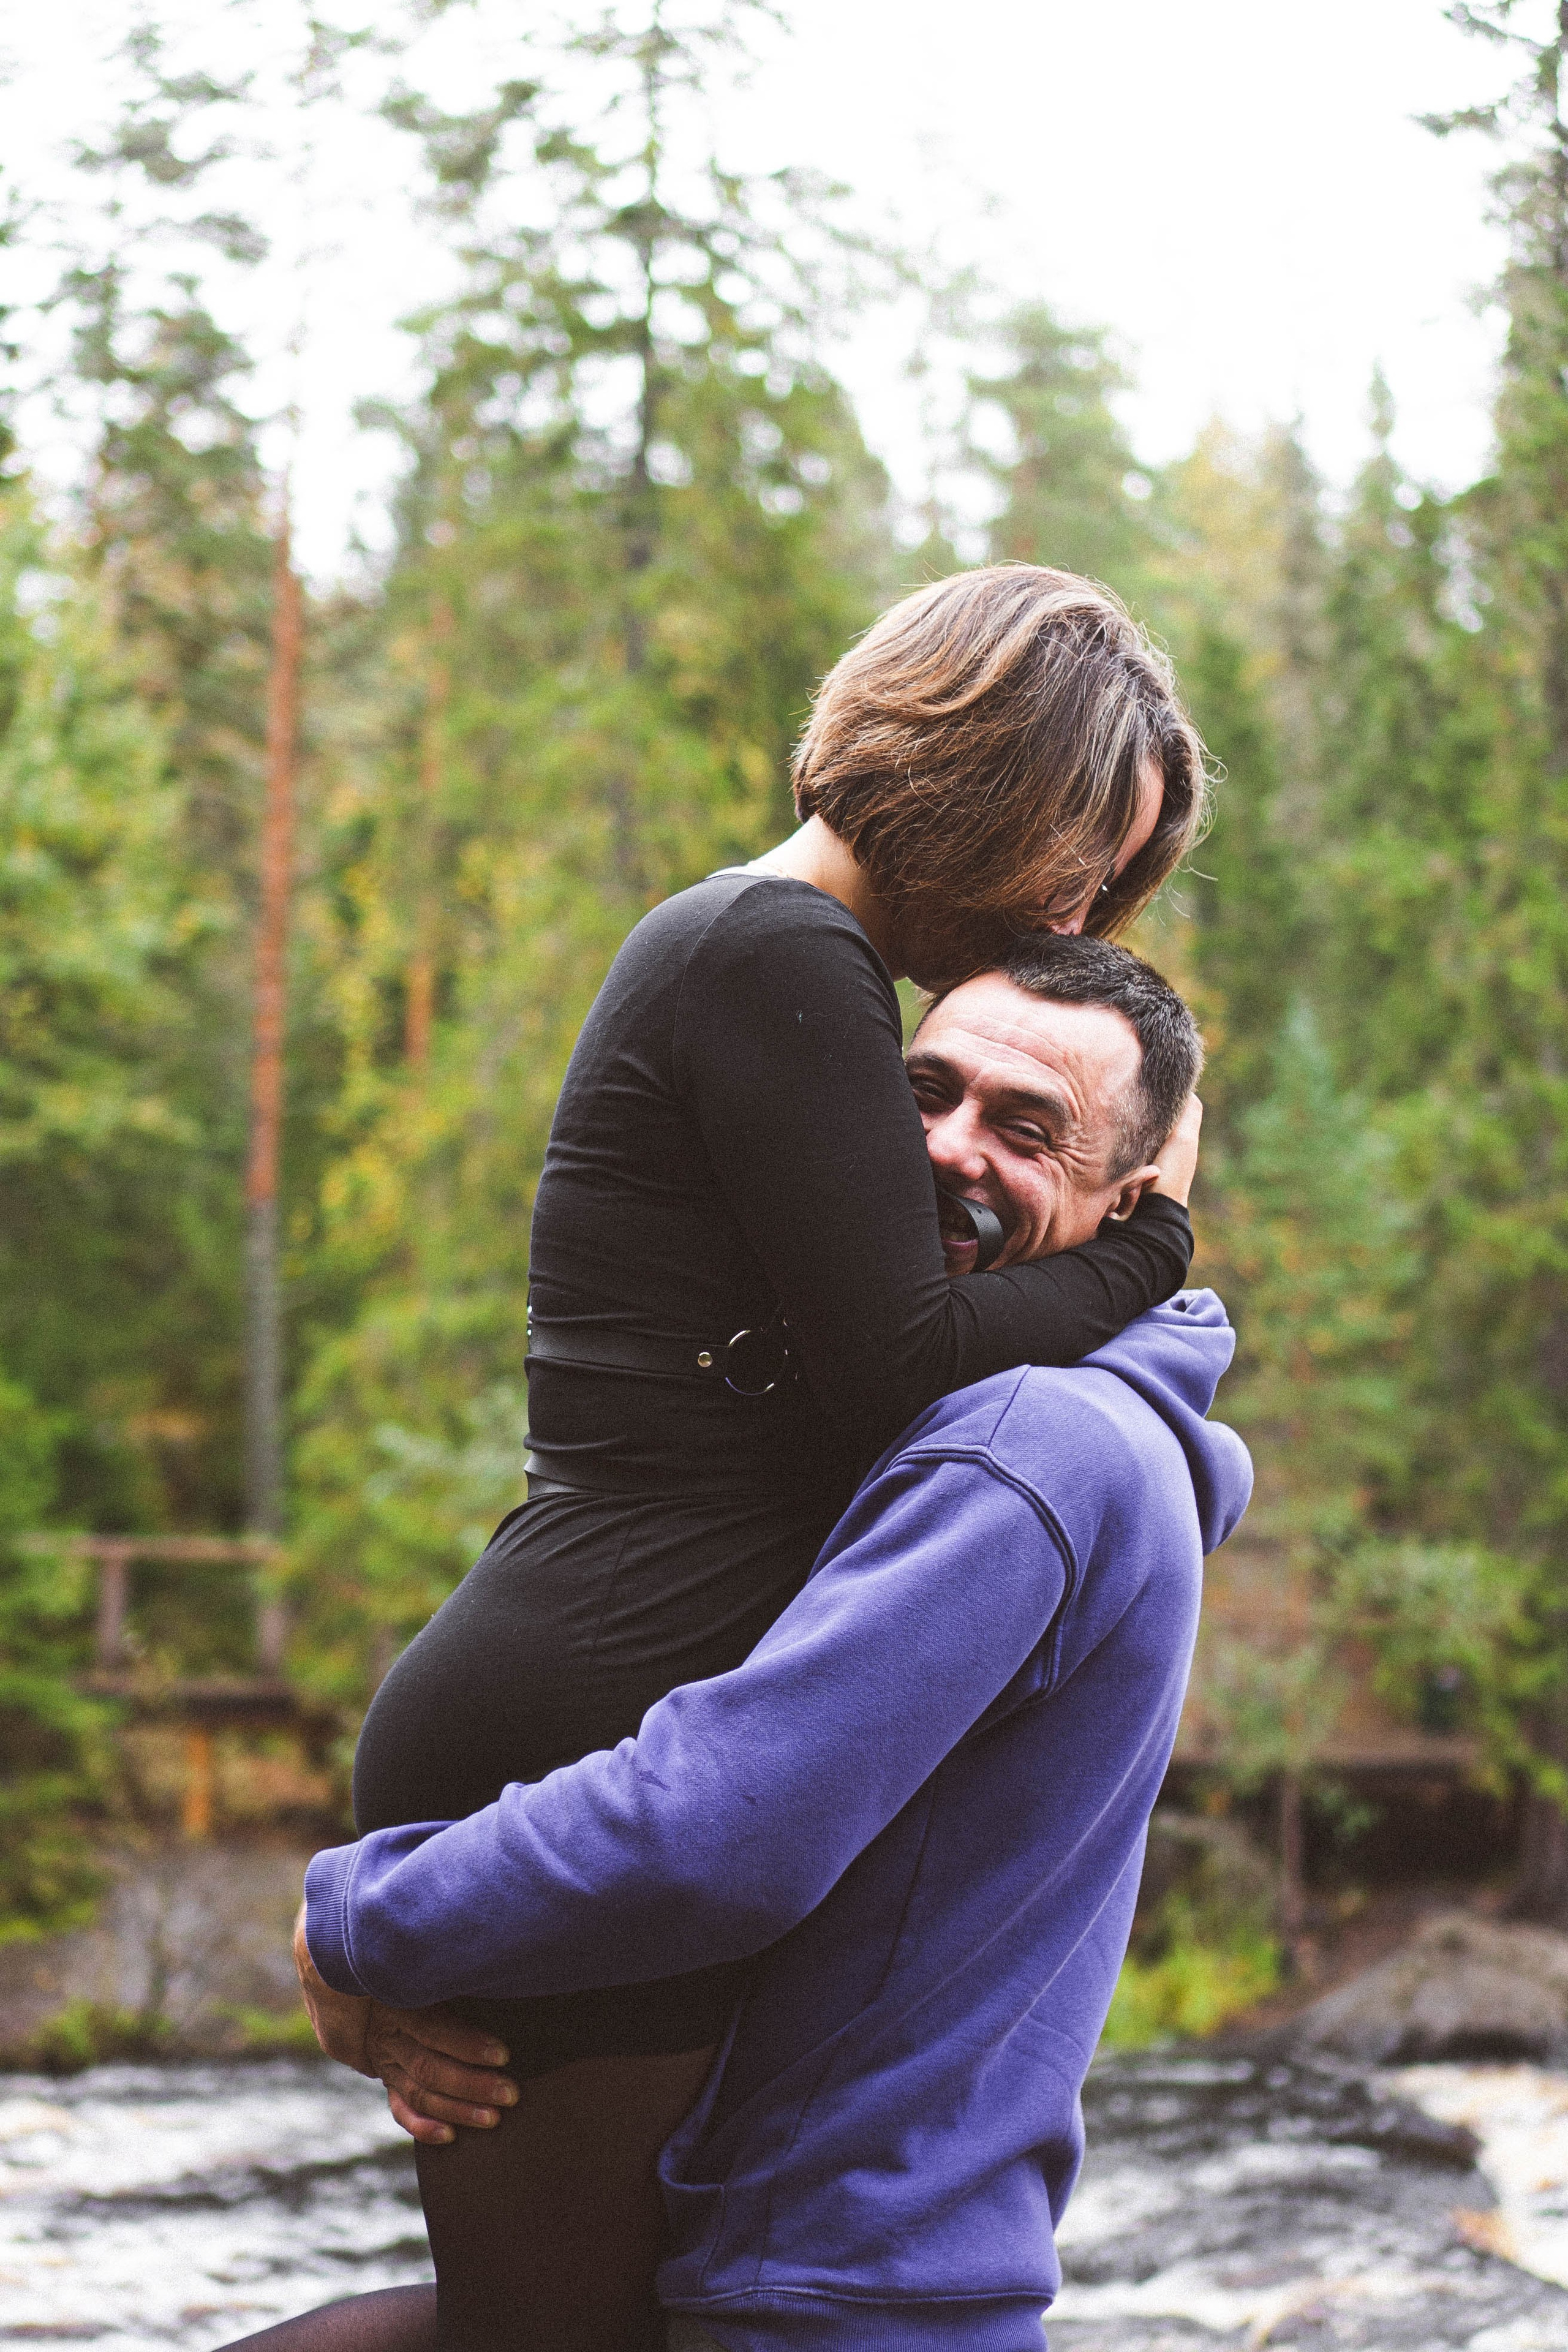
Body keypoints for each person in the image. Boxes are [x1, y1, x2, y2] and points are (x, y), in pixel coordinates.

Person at [297, 566, 1211, 2352]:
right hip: (581, 1730)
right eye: (1086, 851)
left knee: (560, 2327)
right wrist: (1149, 1253)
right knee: (546, 2341)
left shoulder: (786, 966)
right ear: (999, 773)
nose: (1083, 901)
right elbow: (899, 1368)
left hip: (598, 1690)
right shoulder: (780, 954)